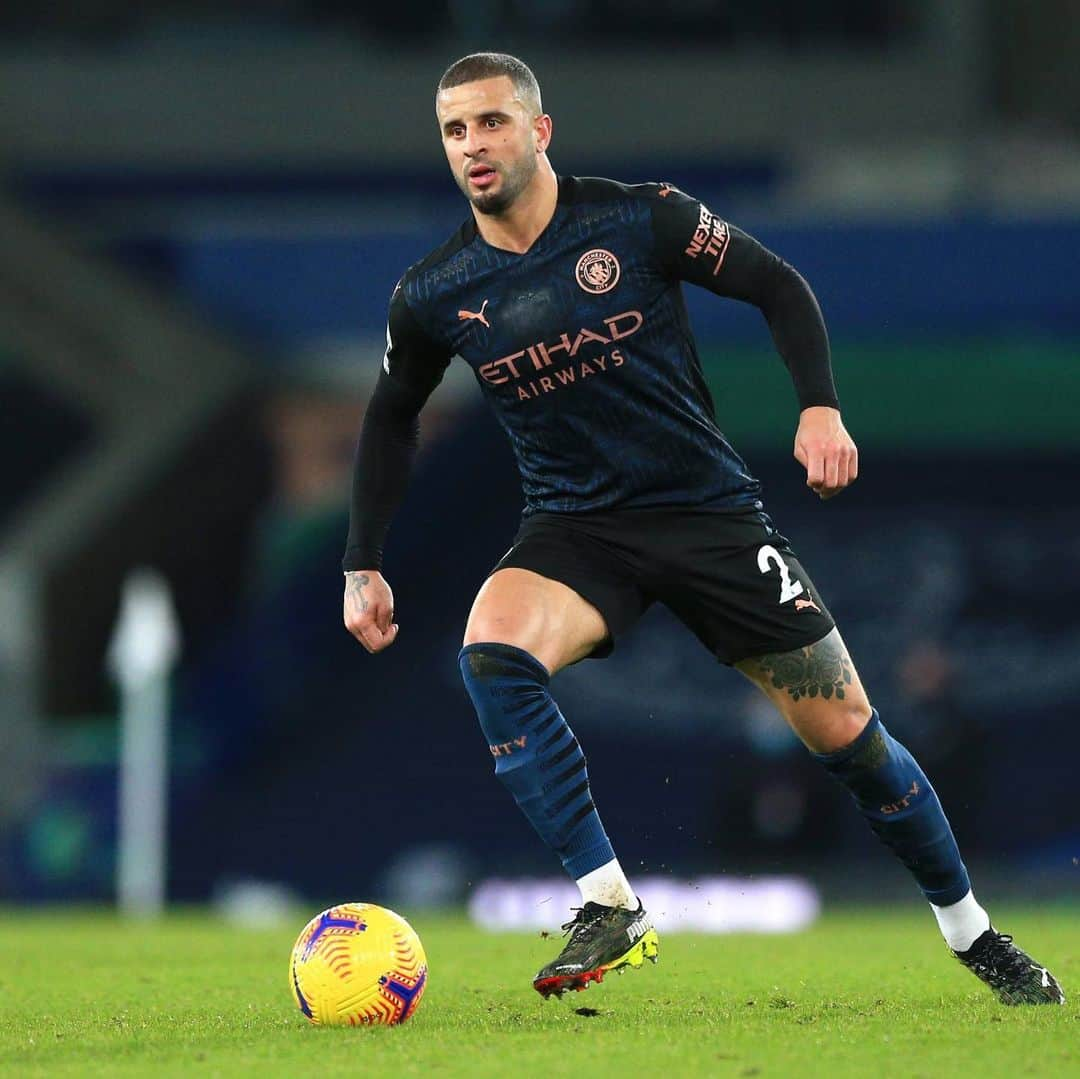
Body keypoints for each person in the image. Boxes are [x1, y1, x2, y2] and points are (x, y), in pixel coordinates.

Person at [342, 52, 1064, 1005]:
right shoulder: (435, 292)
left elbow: (778, 284)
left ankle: (973, 933)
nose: (473, 146)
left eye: (490, 123)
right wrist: (364, 560)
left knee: (847, 731)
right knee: (492, 648)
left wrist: (819, 406)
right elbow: (391, 417)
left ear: (539, 130)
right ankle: (609, 902)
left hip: (709, 517)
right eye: (454, 131)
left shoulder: (640, 218)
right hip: (576, 530)